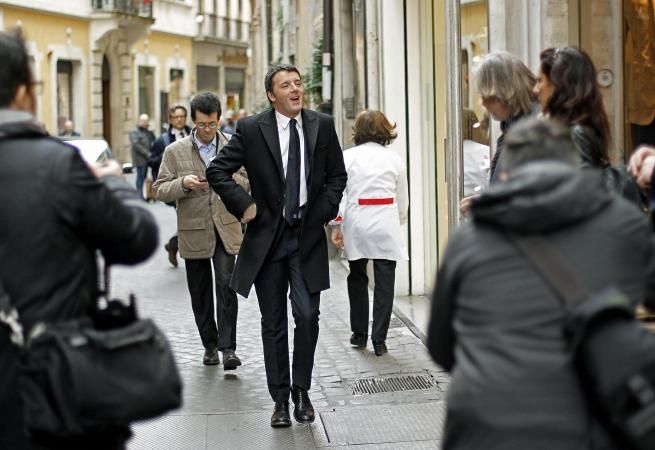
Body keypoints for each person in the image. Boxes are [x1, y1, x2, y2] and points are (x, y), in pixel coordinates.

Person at [428, 118, 655, 450]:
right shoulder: (624, 223)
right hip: (584, 428)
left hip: (481, 427)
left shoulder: (469, 238)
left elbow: (441, 346)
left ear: (505, 175)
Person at [0, 29, 159, 450]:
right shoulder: (55, 166)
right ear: (22, 93)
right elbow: (137, 238)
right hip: (53, 386)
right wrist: (114, 186)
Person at [206, 63, 347, 428]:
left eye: (298, 83)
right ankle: (281, 400)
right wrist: (245, 206)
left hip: (306, 237)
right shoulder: (253, 129)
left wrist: (322, 213)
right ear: (272, 95)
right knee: (274, 323)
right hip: (268, 241)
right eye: (286, 85)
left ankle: (302, 390)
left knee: (307, 315)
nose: (295, 90)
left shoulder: (323, 125)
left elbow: (337, 177)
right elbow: (217, 171)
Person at [153, 92, 247, 371]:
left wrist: (229, 181)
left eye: (213, 124)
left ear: (219, 121)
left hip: (226, 225)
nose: (208, 130)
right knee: (200, 290)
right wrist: (184, 183)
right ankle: (210, 345)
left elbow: (248, 180)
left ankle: (228, 348)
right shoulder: (174, 151)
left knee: (226, 284)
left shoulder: (233, 145)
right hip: (193, 228)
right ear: (193, 122)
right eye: (203, 125)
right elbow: (159, 189)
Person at [330, 110, 408, 356]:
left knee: (357, 276)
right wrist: (400, 219)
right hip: (386, 220)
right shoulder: (395, 159)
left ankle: (359, 333)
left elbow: (340, 194)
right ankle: (380, 339)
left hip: (358, 220)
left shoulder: (348, 157)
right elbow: (402, 198)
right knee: (385, 282)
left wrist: (337, 225)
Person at [535, 46, 647, 210]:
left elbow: (577, 200)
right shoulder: (570, 130)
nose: (535, 89)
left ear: (558, 85)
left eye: (540, 81)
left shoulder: (574, 134)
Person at [460, 51, 537, 216]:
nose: (483, 104)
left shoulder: (533, 130)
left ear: (504, 93)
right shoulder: (516, 126)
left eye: (487, 96)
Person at [148, 105, 192, 268]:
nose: (179, 119)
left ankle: (174, 245)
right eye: (176, 117)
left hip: (194, 185)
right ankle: (176, 245)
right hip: (174, 188)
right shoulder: (162, 141)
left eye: (182, 116)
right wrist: (166, 155)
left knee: (190, 220)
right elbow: (151, 162)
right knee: (188, 220)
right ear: (171, 119)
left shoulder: (194, 134)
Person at [129, 113, 155, 199]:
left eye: (146, 121)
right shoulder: (134, 132)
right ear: (140, 121)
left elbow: (153, 141)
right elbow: (136, 145)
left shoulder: (148, 131)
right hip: (139, 159)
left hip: (148, 159)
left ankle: (145, 194)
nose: (145, 123)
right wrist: (147, 153)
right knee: (140, 177)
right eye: (144, 121)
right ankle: (139, 196)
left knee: (144, 177)